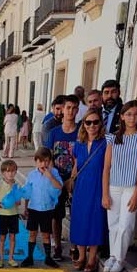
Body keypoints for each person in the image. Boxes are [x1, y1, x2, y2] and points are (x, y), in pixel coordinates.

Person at [102, 100, 137, 272]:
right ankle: (113, 256)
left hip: (131, 186)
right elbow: (107, 167)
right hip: (114, 185)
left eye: (136, 114)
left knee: (126, 224)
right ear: (122, 116)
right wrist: (105, 193)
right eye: (128, 114)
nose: (132, 118)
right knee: (113, 223)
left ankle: (120, 258)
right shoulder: (113, 138)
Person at [69, 109, 107, 272]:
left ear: (100, 123)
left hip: (97, 185)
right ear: (83, 124)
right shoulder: (79, 144)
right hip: (81, 187)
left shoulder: (106, 143)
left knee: (95, 221)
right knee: (80, 219)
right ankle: (81, 256)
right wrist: (71, 183)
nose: (92, 125)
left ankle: (92, 258)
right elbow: (76, 166)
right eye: (88, 122)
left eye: (95, 122)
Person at [46, 94, 80, 261]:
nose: (71, 111)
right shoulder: (54, 133)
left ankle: (74, 247)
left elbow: (81, 157)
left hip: (75, 179)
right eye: (68, 108)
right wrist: (55, 179)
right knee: (56, 215)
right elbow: (48, 156)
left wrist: (72, 178)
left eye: (74, 108)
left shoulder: (81, 132)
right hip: (57, 179)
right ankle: (57, 246)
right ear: (63, 109)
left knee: (75, 214)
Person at [21, 147, 63, 268]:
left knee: (46, 234)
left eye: (46, 161)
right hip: (34, 208)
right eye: (40, 161)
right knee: (32, 233)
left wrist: (50, 176)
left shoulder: (53, 172)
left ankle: (48, 257)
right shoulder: (32, 174)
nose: (43, 164)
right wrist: (26, 207)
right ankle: (29, 257)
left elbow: (59, 187)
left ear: (50, 161)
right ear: (36, 161)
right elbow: (27, 191)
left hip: (46, 208)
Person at [0, 160, 20, 268]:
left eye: (13, 171)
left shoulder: (16, 186)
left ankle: (11, 258)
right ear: (3, 173)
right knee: (2, 237)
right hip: (3, 215)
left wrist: (16, 201)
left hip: (13, 215)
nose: (10, 174)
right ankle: (0, 259)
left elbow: (18, 202)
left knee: (12, 237)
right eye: (8, 171)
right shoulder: (0, 185)